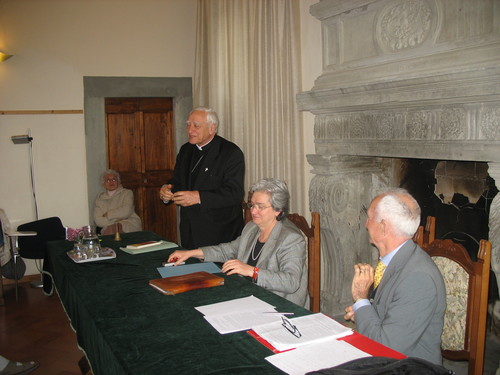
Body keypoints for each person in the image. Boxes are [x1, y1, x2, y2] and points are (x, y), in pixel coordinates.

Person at [343, 188, 446, 365]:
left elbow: (385, 348)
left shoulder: (418, 278)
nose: (366, 224)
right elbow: (389, 313)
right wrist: (363, 311)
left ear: (383, 227)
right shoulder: (396, 259)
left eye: (370, 217)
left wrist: (361, 299)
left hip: (408, 367)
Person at [168, 178, 308, 307]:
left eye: (260, 206)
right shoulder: (251, 228)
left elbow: (291, 282)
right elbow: (228, 250)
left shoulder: (291, 238)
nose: (253, 211)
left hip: (279, 305)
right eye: (252, 205)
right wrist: (190, 253)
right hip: (248, 297)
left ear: (278, 210)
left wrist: (251, 271)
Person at [159, 107, 244, 249]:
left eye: (196, 126)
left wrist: (199, 197)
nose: (190, 130)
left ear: (212, 128)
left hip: (219, 233)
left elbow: (234, 194)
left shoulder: (230, 152)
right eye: (188, 124)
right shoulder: (186, 150)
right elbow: (178, 181)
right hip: (189, 231)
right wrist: (167, 190)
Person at [93, 169, 142, 235]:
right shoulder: (99, 198)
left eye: (114, 179)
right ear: (104, 184)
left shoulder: (127, 193)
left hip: (129, 223)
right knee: (109, 230)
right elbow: (98, 221)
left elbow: (126, 211)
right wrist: (116, 220)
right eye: (108, 180)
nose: (111, 182)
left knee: (113, 230)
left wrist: (108, 214)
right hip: (107, 226)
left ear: (118, 182)